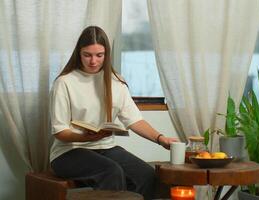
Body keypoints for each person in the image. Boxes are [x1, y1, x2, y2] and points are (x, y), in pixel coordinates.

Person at [49, 26, 177, 200]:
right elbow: (59, 131)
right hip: (68, 152)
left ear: (106, 54)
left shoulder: (117, 81)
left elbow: (134, 120)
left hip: (105, 148)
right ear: (78, 53)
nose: (93, 61)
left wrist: (160, 139)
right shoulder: (64, 83)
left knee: (146, 174)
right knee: (111, 171)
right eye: (87, 55)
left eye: (99, 55)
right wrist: (86, 138)